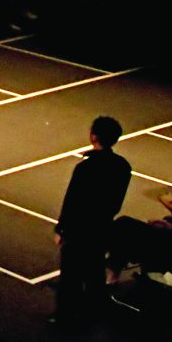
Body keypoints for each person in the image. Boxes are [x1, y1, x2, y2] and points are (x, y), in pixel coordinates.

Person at [52, 115, 132, 326]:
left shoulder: (86, 166)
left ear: (93, 136)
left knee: (71, 274)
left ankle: (66, 316)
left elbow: (73, 200)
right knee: (94, 269)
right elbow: (116, 200)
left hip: (79, 227)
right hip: (102, 224)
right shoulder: (122, 166)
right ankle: (94, 310)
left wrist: (61, 228)